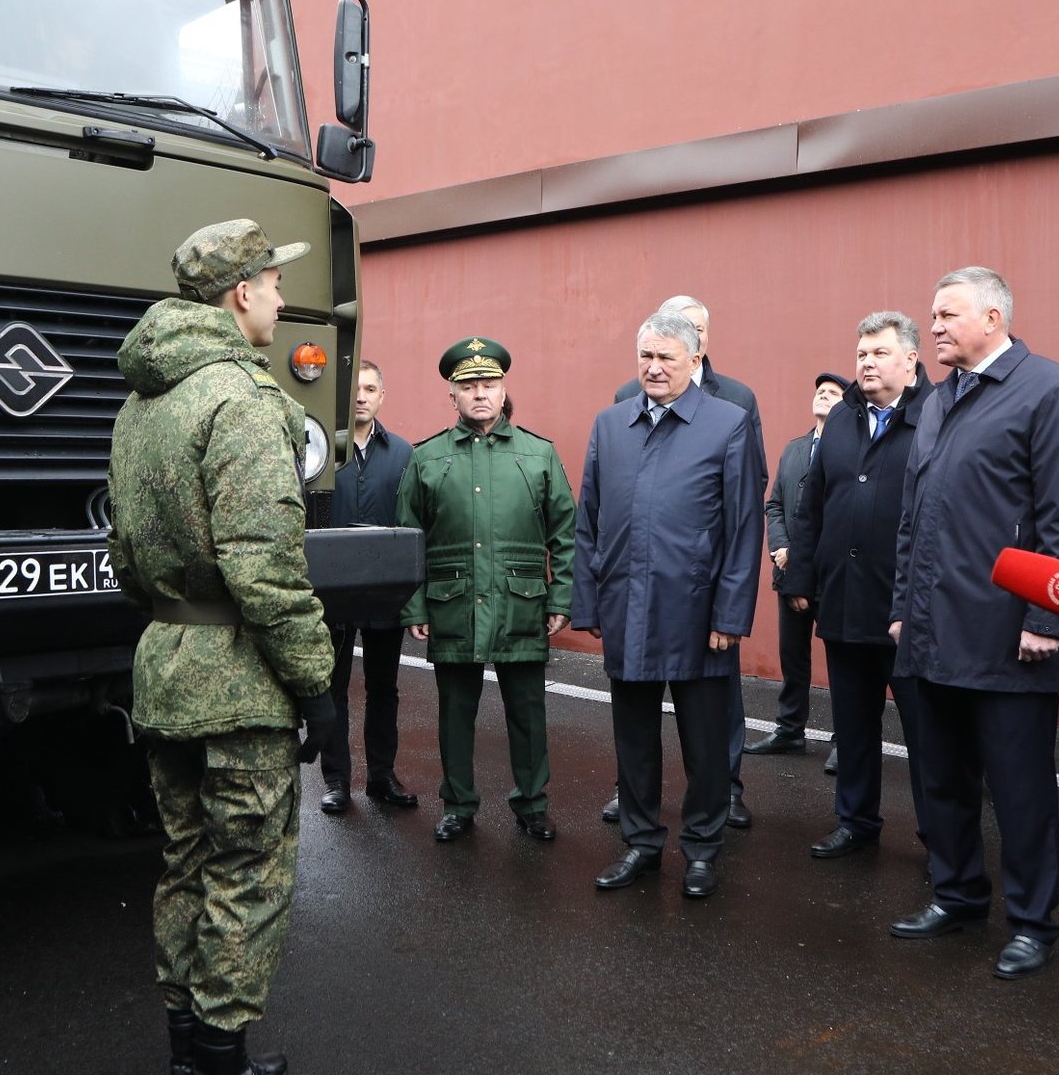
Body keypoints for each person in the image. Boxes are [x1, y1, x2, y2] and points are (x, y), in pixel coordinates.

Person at [106, 218, 328, 1075]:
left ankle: (189, 1062)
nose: (282, 297)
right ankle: (223, 1073)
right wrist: (316, 683)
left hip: (165, 663)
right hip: (237, 680)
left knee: (186, 865)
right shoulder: (240, 399)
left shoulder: (143, 399)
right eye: (274, 283)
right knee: (247, 871)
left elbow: (122, 551)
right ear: (241, 293)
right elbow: (266, 564)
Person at [885, 267, 1059, 980]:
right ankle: (957, 894)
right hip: (932, 629)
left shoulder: (1048, 388)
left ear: (994, 317)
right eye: (931, 314)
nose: (933, 326)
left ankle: (1033, 922)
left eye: (946, 314)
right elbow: (914, 516)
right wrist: (901, 610)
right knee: (940, 778)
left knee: (1020, 787)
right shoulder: (940, 399)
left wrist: (1047, 617)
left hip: (1009, 634)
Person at [575, 311, 761, 899]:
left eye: (667, 359)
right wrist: (590, 604)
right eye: (646, 358)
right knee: (634, 741)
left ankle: (702, 849)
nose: (654, 369)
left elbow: (744, 527)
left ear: (694, 361)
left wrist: (731, 615)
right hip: (627, 607)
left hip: (699, 616)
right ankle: (641, 843)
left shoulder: (728, 423)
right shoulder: (610, 424)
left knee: (705, 746)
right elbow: (589, 522)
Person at [397, 337, 576, 843]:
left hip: (522, 603)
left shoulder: (538, 455)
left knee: (528, 713)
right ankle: (457, 804)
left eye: (489, 385)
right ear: (451, 395)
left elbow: (565, 533)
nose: (480, 394)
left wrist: (560, 597)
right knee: (456, 714)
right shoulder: (427, 457)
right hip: (452, 604)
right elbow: (409, 538)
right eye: (469, 386)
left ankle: (533, 804)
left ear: (504, 391)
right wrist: (415, 603)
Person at [782, 313, 928, 860]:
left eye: (879, 352)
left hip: (906, 608)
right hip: (844, 600)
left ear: (910, 361)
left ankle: (938, 836)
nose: (865, 362)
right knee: (852, 723)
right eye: (861, 352)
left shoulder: (935, 416)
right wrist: (800, 576)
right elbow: (812, 501)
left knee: (926, 734)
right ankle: (856, 820)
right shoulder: (842, 419)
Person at [318, 360, 417, 815]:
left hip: (383, 594)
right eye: (354, 388)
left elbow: (415, 524)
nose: (361, 396)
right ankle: (337, 780)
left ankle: (382, 776)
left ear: (382, 396)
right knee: (332, 688)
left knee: (384, 688)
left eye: (370, 388)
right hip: (331, 594)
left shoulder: (403, 454)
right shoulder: (317, 452)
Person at [746, 371, 845, 757]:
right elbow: (774, 505)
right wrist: (783, 548)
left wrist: (801, 555)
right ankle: (790, 730)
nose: (823, 395)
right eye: (820, 390)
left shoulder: (851, 450)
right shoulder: (794, 448)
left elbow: (841, 515)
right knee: (793, 659)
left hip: (830, 577)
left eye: (834, 393)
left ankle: (846, 740)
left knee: (842, 665)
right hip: (788, 572)